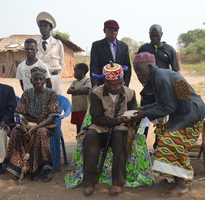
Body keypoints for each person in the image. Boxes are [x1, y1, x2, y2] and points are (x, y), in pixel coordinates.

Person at [132, 52, 205, 198]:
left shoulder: (161, 78)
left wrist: (144, 114)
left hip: (191, 114)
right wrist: (145, 109)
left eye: (140, 71)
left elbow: (168, 107)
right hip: (184, 113)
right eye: (136, 72)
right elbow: (164, 103)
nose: (138, 75)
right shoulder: (160, 75)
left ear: (150, 66)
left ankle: (181, 185)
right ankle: (175, 178)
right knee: (164, 140)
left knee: (169, 143)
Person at [82, 62, 136, 196]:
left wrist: (132, 120)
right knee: (90, 136)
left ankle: (117, 183)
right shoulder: (96, 94)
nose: (117, 87)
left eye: (120, 83)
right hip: (101, 128)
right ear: (105, 81)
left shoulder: (130, 93)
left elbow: (134, 114)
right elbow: (97, 119)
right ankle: (89, 182)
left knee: (120, 137)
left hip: (120, 128)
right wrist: (117, 120)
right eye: (112, 84)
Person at [4, 67, 60, 182]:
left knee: (40, 133)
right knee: (16, 131)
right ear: (31, 81)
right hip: (28, 123)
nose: (38, 81)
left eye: (41, 79)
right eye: (35, 79)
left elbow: (52, 116)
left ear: (44, 81)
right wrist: (25, 124)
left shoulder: (51, 94)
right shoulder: (26, 93)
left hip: (45, 124)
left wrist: (37, 126)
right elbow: (20, 112)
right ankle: (19, 167)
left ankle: (46, 168)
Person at [137, 24, 180, 145]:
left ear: (162, 35)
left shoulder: (169, 49)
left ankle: (159, 146)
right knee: (143, 118)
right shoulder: (143, 49)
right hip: (148, 91)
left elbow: (176, 71)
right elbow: (138, 69)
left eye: (157, 35)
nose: (155, 38)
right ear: (149, 35)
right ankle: (141, 145)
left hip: (163, 90)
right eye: (152, 35)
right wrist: (144, 82)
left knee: (162, 120)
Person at [90, 19, 131, 88]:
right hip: (103, 85)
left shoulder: (124, 46)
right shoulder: (97, 46)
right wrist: (95, 85)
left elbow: (127, 66)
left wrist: (126, 84)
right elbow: (94, 67)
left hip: (120, 85)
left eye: (116, 30)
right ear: (104, 31)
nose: (113, 32)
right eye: (110, 30)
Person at [36, 11, 65, 94]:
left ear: (51, 28)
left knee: (55, 103)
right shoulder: (35, 45)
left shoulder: (58, 44)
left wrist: (56, 76)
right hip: (39, 79)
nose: (43, 28)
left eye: (45, 26)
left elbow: (62, 63)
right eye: (41, 26)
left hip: (54, 79)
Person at [67, 63, 91, 134]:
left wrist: (74, 92)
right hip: (76, 109)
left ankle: (85, 143)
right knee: (78, 127)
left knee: (85, 126)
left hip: (85, 109)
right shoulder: (74, 82)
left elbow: (86, 90)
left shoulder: (87, 81)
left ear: (82, 71)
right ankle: (79, 143)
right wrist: (80, 90)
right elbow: (68, 91)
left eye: (75, 71)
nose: (74, 73)